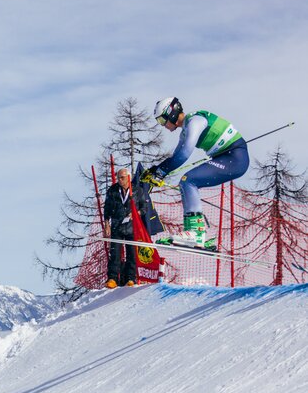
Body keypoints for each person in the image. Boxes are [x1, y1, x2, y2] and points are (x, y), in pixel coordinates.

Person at [141, 97, 249, 249]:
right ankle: (195, 234)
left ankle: (195, 234)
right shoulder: (185, 131)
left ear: (171, 113)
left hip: (234, 157)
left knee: (188, 180)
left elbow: (184, 153)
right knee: (186, 182)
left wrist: (161, 171)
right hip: (228, 157)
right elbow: (176, 156)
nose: (163, 125)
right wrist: (158, 171)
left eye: (161, 120)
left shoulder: (195, 121)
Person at [103, 168, 138, 289]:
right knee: (115, 253)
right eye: (118, 177)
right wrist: (107, 223)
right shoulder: (112, 190)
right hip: (117, 226)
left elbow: (145, 207)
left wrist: (135, 213)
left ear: (128, 177)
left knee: (132, 253)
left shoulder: (137, 189)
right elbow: (106, 208)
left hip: (131, 227)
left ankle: (130, 278)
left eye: (122, 177)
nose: (120, 180)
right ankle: (112, 278)